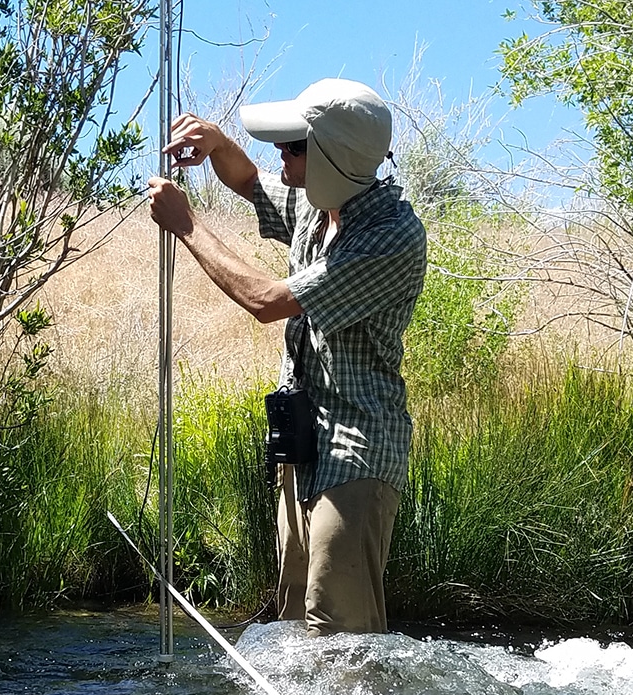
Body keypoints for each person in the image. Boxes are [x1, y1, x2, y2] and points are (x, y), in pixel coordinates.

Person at [145, 79, 426, 636]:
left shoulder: (392, 237)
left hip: (357, 453)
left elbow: (269, 302)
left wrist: (188, 225)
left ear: (331, 159)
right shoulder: (321, 205)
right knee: (297, 626)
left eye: (294, 147)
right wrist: (219, 145)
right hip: (303, 448)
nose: (282, 157)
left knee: (338, 635)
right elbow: (251, 183)